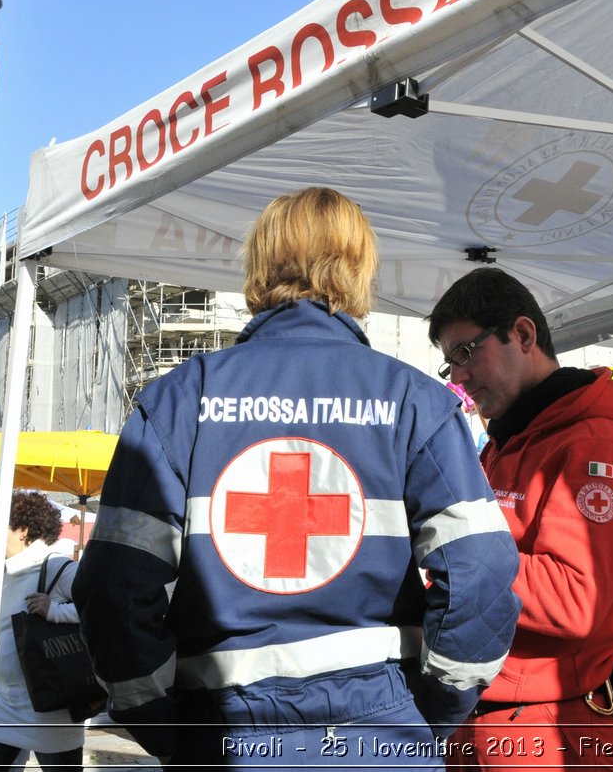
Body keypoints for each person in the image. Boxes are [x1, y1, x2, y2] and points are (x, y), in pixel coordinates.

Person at [72, 188, 520, 766]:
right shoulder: (416, 403)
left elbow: (113, 590)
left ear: (258, 266)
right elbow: (479, 575)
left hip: (223, 733)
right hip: (380, 734)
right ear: (359, 270)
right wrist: (425, 715)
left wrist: (167, 727)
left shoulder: (180, 400)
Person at [429, 268, 613, 771]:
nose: (460, 376)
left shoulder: (593, 446)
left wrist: (450, 556)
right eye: (451, 364)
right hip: (486, 716)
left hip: (552, 730)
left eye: (466, 353)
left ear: (524, 335)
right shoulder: (504, 443)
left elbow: (577, 597)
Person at [0, 490, 88, 771]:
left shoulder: (56, 567)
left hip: (50, 708)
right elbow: (0, 639)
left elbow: (101, 610)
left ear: (23, 531)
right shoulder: (4, 575)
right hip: (3, 703)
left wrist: (56, 611)